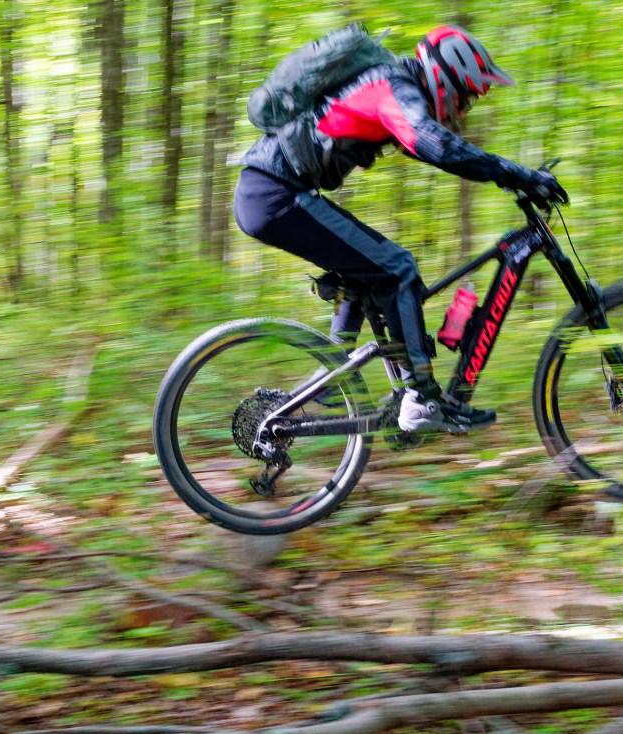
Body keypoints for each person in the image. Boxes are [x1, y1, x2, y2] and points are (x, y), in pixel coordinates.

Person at [233, 25, 567, 434]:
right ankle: (421, 399)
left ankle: (334, 378)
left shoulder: (392, 86)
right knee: (398, 269)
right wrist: (516, 175)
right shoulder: (392, 85)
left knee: (374, 269)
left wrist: (510, 175)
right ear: (444, 79)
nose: (462, 111)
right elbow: (434, 144)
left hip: (276, 193)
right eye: (464, 98)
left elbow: (429, 143)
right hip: (275, 196)